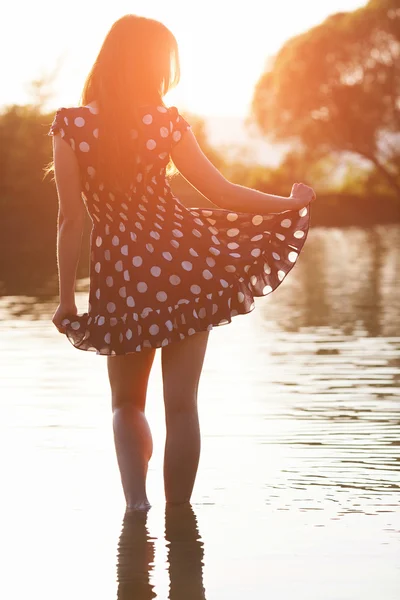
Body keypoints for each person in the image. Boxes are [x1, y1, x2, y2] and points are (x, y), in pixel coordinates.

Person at [49, 14, 316, 512]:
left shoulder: (71, 125)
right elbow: (220, 191)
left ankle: (136, 505)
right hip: (187, 264)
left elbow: (70, 219)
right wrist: (288, 204)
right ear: (153, 64)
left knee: (126, 403)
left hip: (123, 276)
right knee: (182, 405)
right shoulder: (164, 121)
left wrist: (66, 301)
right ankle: (179, 518)